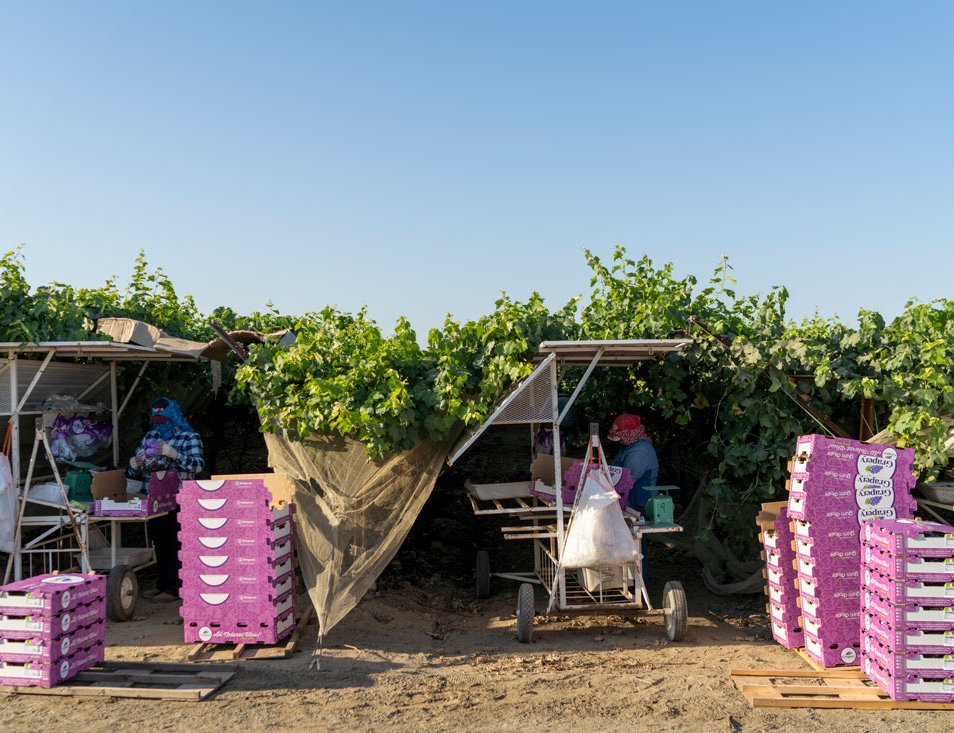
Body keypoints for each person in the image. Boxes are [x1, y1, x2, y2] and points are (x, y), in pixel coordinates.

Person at [128, 397, 205, 602]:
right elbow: (136, 467)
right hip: (153, 497)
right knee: (160, 541)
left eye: (164, 421)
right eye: (157, 421)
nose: (160, 425)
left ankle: (175, 588)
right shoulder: (150, 436)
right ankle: (163, 583)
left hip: (179, 497)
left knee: (175, 542)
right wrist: (134, 465)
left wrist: (175, 454)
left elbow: (197, 466)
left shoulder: (189, 437)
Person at [608, 413, 659, 511]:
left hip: (641, 505)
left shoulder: (639, 451)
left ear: (628, 434)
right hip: (630, 501)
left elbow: (627, 480)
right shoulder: (629, 446)